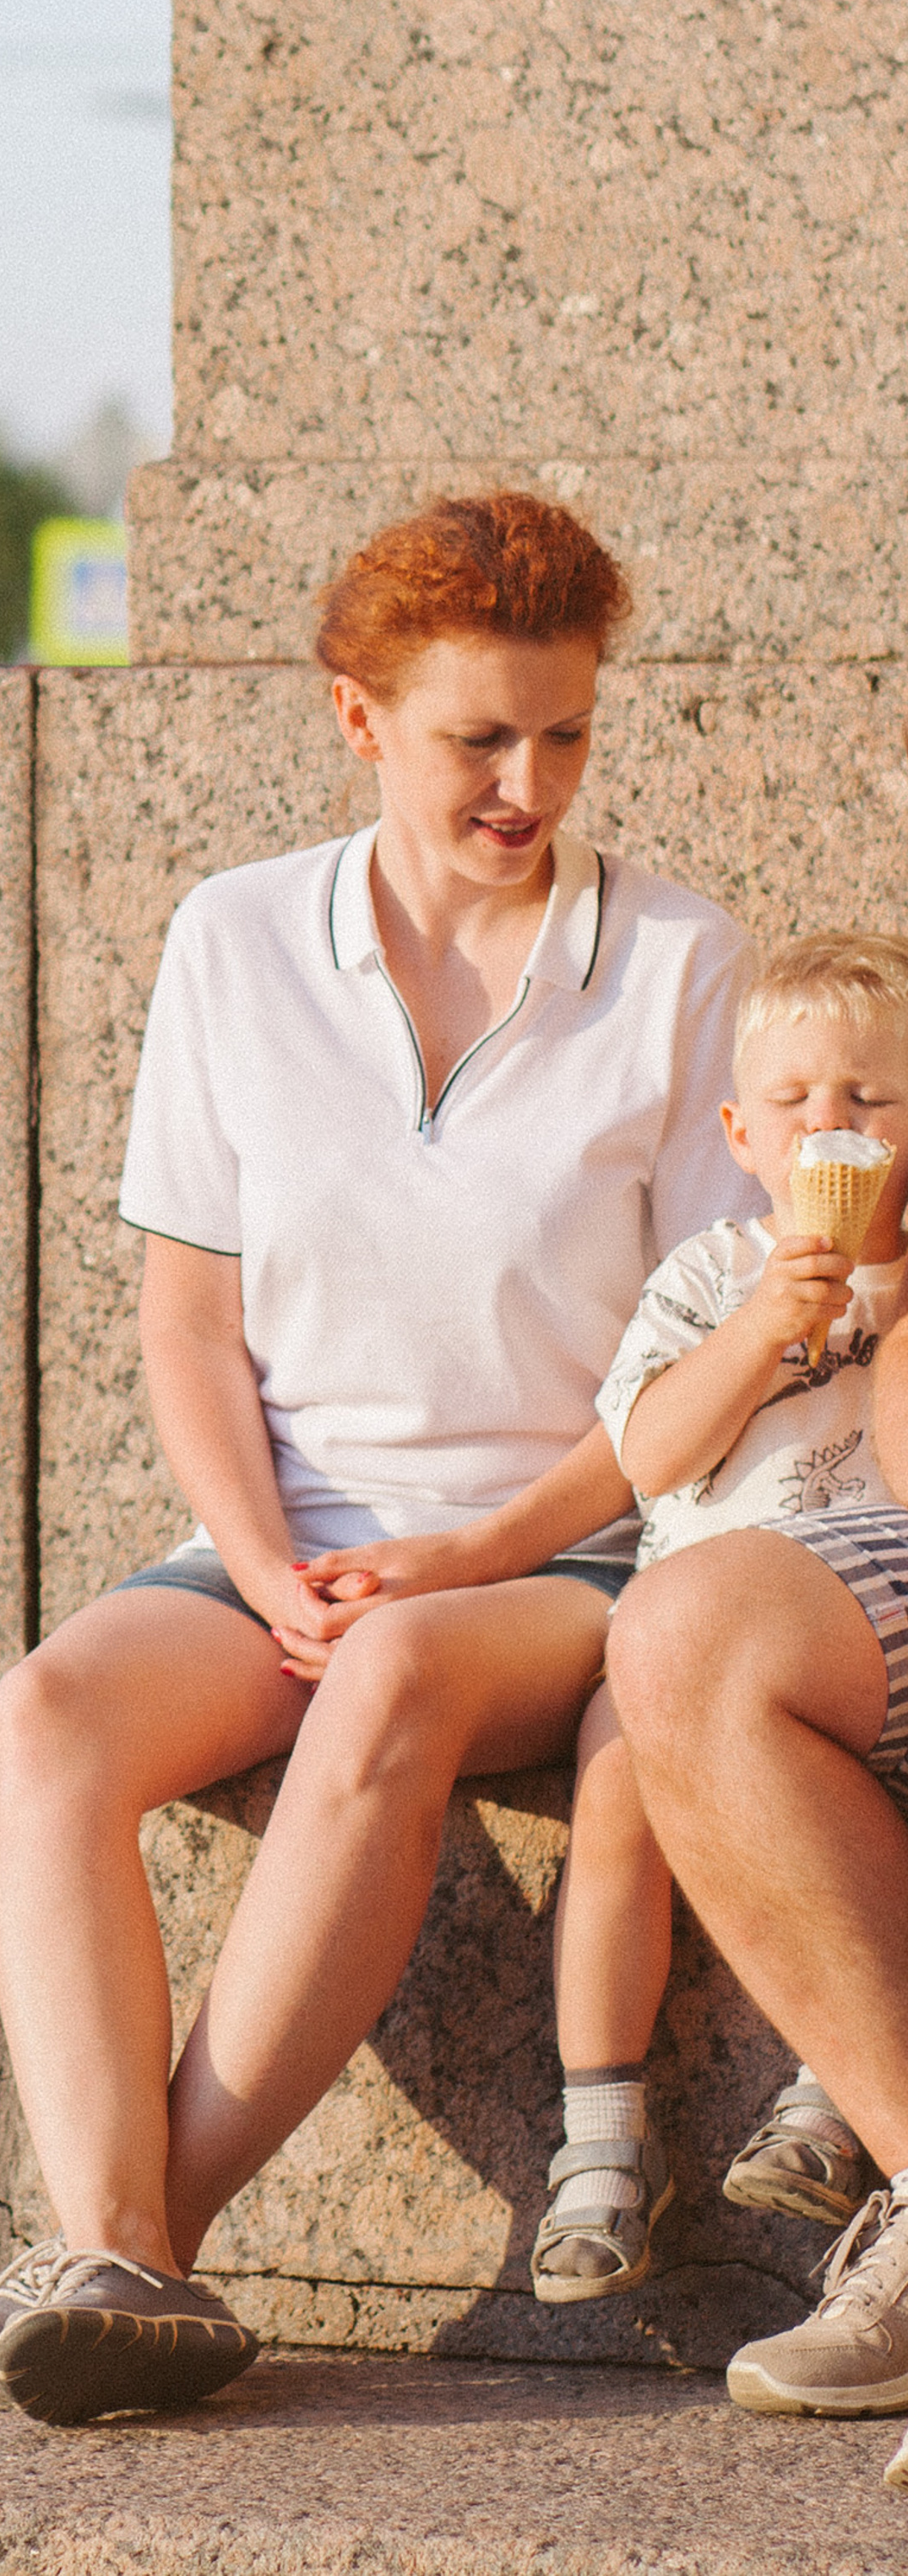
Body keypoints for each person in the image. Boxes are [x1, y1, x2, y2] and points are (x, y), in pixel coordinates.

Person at [0, 489, 763, 2430]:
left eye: (561, 733)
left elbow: (711, 1368)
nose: (525, 782)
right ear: (355, 718)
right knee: (45, 1710)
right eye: (479, 735)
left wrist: (463, 1558)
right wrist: (258, 1551)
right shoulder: (232, 939)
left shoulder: (671, 963)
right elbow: (188, 1322)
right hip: (283, 1538)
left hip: (570, 1552)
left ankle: (128, 2256)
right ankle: (117, 2254)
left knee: (385, 1672)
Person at [529, 937, 908, 2308]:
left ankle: (829, 2102)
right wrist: (761, 1331)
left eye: (874, 1101)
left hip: (843, 1649)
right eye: (800, 1102)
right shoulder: (710, 1274)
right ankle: (602, 2136)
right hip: (678, 1625)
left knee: (851, 1808)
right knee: (619, 1790)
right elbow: (646, 1450)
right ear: (744, 1136)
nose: (835, 1127)